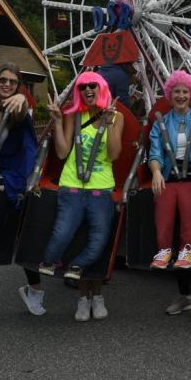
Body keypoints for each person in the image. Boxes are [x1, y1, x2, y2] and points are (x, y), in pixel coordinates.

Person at [39, 71, 124, 321]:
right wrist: (57, 121)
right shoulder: (73, 115)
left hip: (100, 188)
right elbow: (62, 152)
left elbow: (114, 155)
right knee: (63, 232)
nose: (87, 90)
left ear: (101, 88)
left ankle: (78, 269)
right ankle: (54, 266)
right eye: (82, 87)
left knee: (99, 239)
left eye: (92, 86)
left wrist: (109, 124)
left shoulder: (116, 116)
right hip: (72, 185)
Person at [148, 70, 191, 327]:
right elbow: (154, 153)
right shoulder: (161, 122)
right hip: (169, 179)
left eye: (185, 91)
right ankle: (184, 295)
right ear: (169, 94)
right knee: (165, 224)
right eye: (176, 91)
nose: (180, 95)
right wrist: (156, 172)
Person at [0, 64, 42, 314]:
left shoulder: (17, 110)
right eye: (3, 80)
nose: (7, 85)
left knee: (9, 218)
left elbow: (27, 141)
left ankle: (35, 289)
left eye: (13, 82)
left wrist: (22, 98)